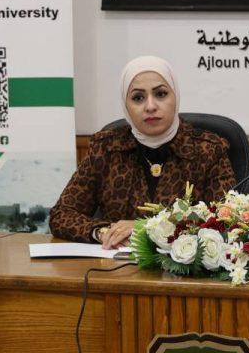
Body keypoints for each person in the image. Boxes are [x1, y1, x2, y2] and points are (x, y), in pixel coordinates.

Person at [51, 56, 237, 248]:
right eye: (138, 98)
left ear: (176, 96)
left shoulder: (208, 150)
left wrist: (148, 228)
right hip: (116, 264)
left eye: (161, 94)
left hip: (185, 265)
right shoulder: (106, 149)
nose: (150, 106)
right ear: (125, 105)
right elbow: (61, 214)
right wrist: (104, 233)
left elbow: (227, 221)